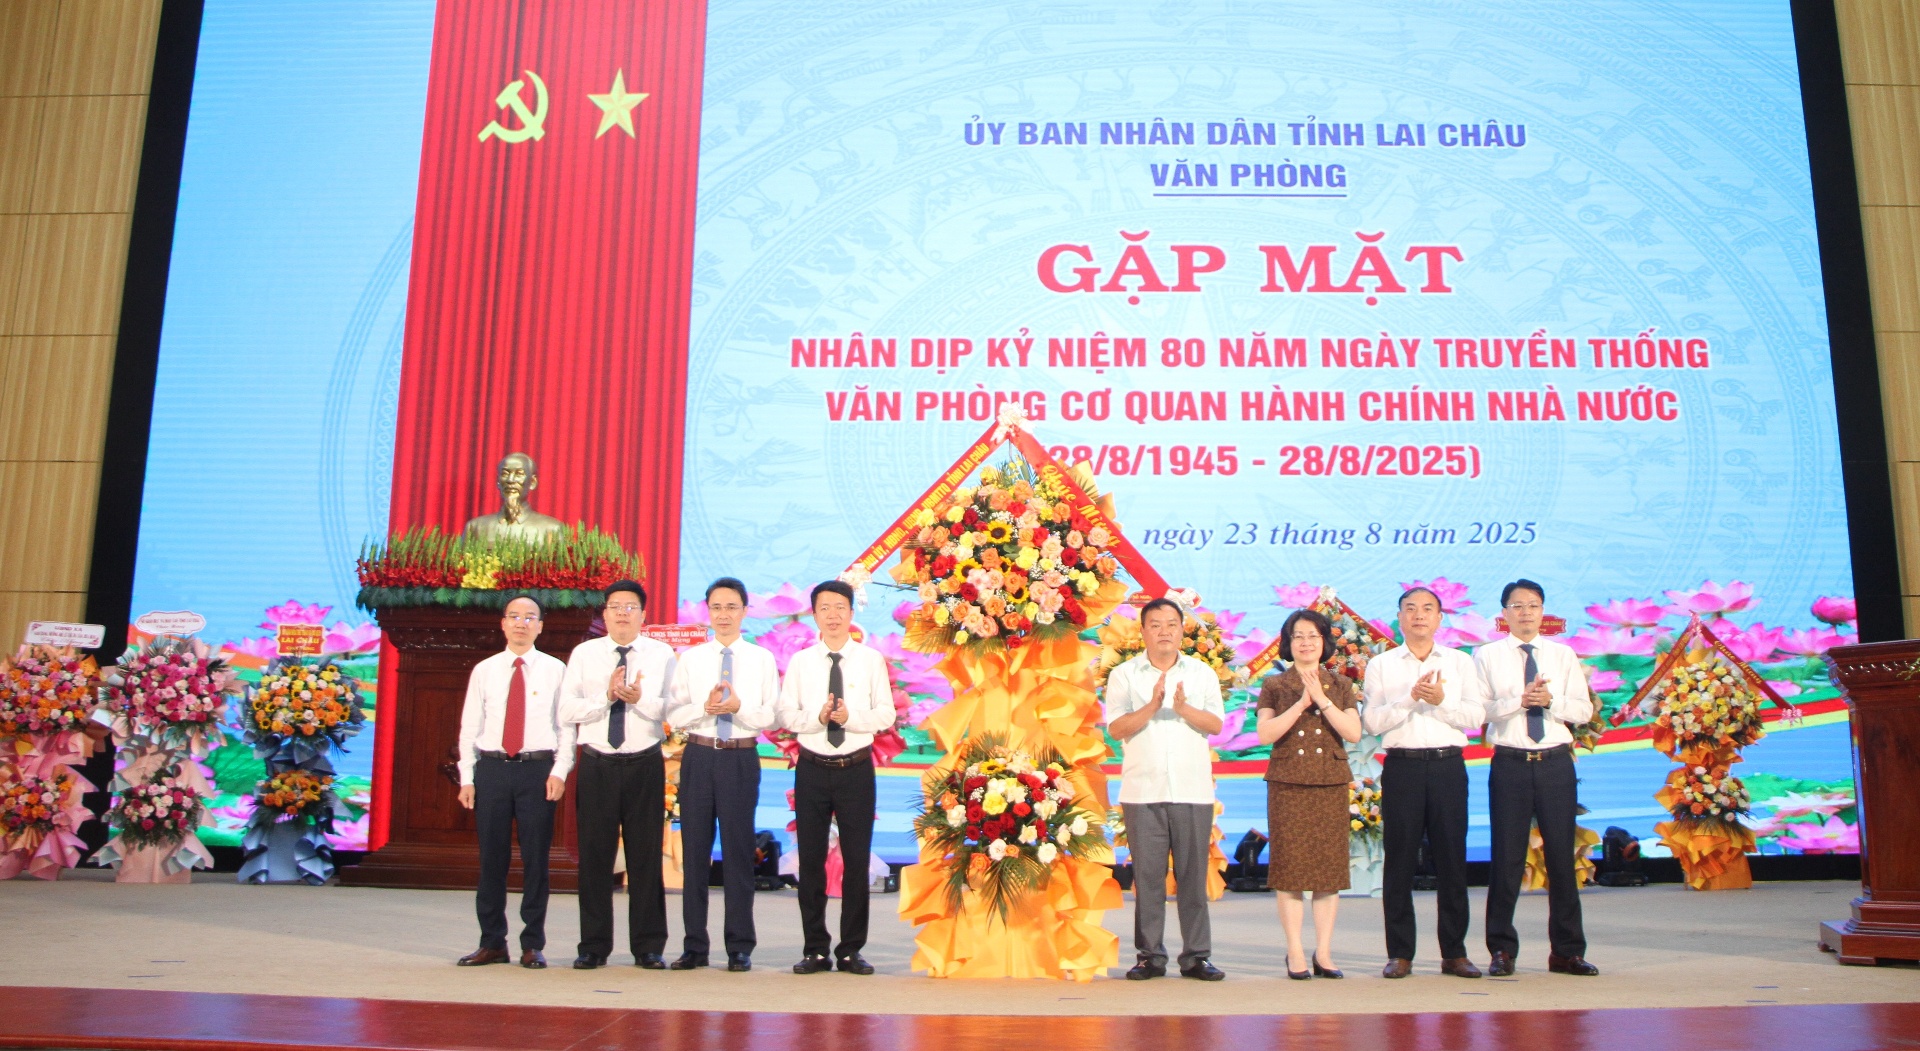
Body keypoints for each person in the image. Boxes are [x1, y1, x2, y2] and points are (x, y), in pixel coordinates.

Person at [1474, 578, 1599, 977]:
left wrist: (1551, 701)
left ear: (1543, 612)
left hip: (1555, 763)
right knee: (1507, 858)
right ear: (1504, 613)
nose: (1525, 612)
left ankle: (1567, 951)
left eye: (1532, 605)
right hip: (1510, 763)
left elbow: (1583, 711)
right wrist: (1519, 701)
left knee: (1562, 856)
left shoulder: (1562, 655)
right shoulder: (1487, 655)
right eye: (1517, 605)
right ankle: (1501, 950)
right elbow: (1478, 710)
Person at [1362, 586, 1488, 979]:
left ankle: (1455, 952)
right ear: (1399, 617)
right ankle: (1400, 953)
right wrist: (1409, 700)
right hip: (1403, 768)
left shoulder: (1460, 662)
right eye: (1411, 608)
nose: (1419, 615)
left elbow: (1475, 718)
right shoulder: (1382, 664)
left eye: (1427, 609)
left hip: (1448, 766)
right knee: (1399, 861)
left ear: (1439, 618)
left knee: (1452, 860)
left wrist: (1439, 702)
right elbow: (1372, 722)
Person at [776, 580, 896, 975]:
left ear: (851, 613)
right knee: (810, 860)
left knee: (856, 860)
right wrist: (819, 718)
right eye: (824, 608)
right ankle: (815, 949)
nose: (833, 615)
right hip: (812, 768)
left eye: (840, 607)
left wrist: (850, 718)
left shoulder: (870, 660)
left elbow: (886, 714)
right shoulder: (801, 662)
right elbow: (786, 714)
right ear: (814, 614)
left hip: (856, 769)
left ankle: (850, 950)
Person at [1106, 597, 1227, 981]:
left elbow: (1216, 725)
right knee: (1148, 878)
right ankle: (1150, 957)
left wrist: (1182, 708)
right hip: (1142, 791)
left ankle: (1196, 957)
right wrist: (1152, 705)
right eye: (1155, 625)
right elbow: (1116, 729)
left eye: (1171, 624)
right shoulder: (1124, 675)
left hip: (1192, 790)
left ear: (1181, 630)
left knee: (1193, 877)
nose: (1164, 632)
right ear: (1143, 631)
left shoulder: (1202, 673)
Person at [559, 579, 677, 970]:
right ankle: (593, 946)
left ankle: (648, 946)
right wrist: (605, 698)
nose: (622, 613)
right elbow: (567, 710)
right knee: (595, 857)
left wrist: (640, 700)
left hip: (644, 762)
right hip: (598, 763)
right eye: (615, 606)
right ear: (604, 613)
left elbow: (673, 709)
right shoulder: (585, 653)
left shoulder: (661, 654)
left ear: (643, 614)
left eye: (630, 607)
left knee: (646, 857)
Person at [664, 577, 778, 972]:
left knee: (738, 852)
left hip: (740, 758)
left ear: (745, 611)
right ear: (707, 611)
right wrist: (705, 709)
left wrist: (738, 706)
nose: (724, 614)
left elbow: (771, 716)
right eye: (716, 607)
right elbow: (674, 712)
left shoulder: (761, 658)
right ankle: (694, 946)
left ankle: (739, 946)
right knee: (695, 851)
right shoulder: (692, 659)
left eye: (731, 607)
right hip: (698, 756)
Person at [454, 594, 573, 969]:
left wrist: (560, 771)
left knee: (536, 860)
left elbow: (566, 728)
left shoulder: (556, 670)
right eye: (515, 616)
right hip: (492, 770)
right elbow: (469, 728)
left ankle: (532, 943)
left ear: (541, 625)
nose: (522, 623)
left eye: (530, 617)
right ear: (503, 623)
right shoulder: (485, 670)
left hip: (537, 770)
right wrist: (467, 777)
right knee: (492, 859)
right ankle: (491, 942)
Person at [1254, 608, 1365, 979]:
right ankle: (1295, 952)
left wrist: (1322, 699)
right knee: (1290, 872)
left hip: (1329, 783)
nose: (1305, 643)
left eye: (1313, 636)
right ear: (1288, 643)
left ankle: (1325, 952)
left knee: (1327, 873)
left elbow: (1353, 733)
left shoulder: (1341, 684)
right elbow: (1265, 734)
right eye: (1298, 636)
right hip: (1288, 784)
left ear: (1324, 642)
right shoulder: (1275, 685)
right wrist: (1302, 702)